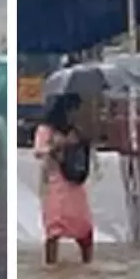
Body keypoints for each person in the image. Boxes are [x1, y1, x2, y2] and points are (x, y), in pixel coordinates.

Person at [34, 92, 94, 265]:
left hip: (74, 181)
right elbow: (38, 151)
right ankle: (51, 265)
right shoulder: (46, 130)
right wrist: (57, 146)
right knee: (54, 226)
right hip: (54, 181)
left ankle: (87, 262)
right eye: (73, 110)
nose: (75, 114)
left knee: (83, 225)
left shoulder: (76, 130)